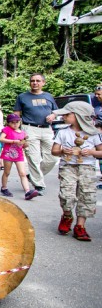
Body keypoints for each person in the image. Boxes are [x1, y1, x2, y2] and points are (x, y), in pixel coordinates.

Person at [50, 102, 102, 241]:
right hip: (68, 167)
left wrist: (91, 152)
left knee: (87, 196)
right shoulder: (63, 132)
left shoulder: (93, 133)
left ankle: (80, 226)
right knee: (66, 195)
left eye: (67, 114)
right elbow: (54, 151)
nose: (64, 117)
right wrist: (61, 151)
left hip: (87, 168)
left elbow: (100, 152)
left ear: (79, 116)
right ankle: (67, 215)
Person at [13, 74, 58, 196]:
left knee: (53, 157)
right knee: (33, 158)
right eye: (32, 81)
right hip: (29, 128)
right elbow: (16, 115)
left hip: (47, 129)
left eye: (38, 81)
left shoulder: (48, 96)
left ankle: (32, 176)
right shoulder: (22, 97)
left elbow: (56, 110)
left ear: (43, 82)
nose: (35, 83)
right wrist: (17, 131)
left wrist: (53, 115)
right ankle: (39, 185)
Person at [0, 114, 39, 200]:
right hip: (8, 153)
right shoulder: (6, 130)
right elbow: (1, 139)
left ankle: (27, 191)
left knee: (22, 173)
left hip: (19, 154)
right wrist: (13, 141)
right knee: (7, 172)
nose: (15, 124)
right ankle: (4, 187)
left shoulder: (23, 133)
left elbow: (24, 144)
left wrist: (25, 144)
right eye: (12, 122)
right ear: (8, 123)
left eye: (17, 122)